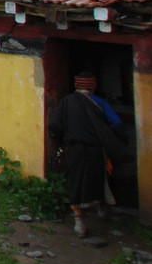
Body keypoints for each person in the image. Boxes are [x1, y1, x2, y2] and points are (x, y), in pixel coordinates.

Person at [48, 72, 132, 237]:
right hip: (96, 150)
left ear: (76, 86)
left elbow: (55, 125)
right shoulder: (99, 103)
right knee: (99, 180)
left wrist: (59, 142)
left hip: (73, 150)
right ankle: (102, 207)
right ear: (93, 86)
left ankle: (79, 222)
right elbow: (115, 123)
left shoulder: (66, 102)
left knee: (75, 182)